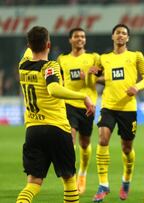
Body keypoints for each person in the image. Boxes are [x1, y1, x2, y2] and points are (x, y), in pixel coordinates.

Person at [16, 26, 95, 203]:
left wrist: (33, 41)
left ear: (29, 44)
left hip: (33, 131)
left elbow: (30, 48)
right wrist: (83, 96)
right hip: (57, 129)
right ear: (49, 45)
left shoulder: (23, 66)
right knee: (68, 181)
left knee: (33, 183)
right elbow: (53, 89)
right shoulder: (50, 66)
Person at [91, 23, 144, 202]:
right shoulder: (103, 58)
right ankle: (103, 185)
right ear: (113, 37)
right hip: (108, 106)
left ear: (128, 38)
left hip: (128, 108)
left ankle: (126, 180)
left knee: (126, 147)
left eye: (124, 33)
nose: (121, 35)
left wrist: (137, 87)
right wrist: (93, 75)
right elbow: (101, 77)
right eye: (118, 33)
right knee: (102, 138)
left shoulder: (136, 56)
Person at [57, 27, 100, 194]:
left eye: (82, 36)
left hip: (88, 105)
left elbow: (100, 77)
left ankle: (82, 172)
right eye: (76, 36)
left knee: (85, 143)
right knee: (70, 139)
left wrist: (91, 75)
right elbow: (59, 81)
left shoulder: (93, 57)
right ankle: (72, 175)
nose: (80, 39)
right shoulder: (62, 59)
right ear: (70, 40)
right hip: (69, 104)